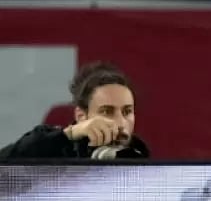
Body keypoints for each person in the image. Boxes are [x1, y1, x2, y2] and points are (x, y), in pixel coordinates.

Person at [0, 61, 149, 159]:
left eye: (127, 112)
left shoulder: (142, 161)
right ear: (81, 116)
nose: (120, 123)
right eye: (107, 112)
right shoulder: (56, 150)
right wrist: (70, 134)